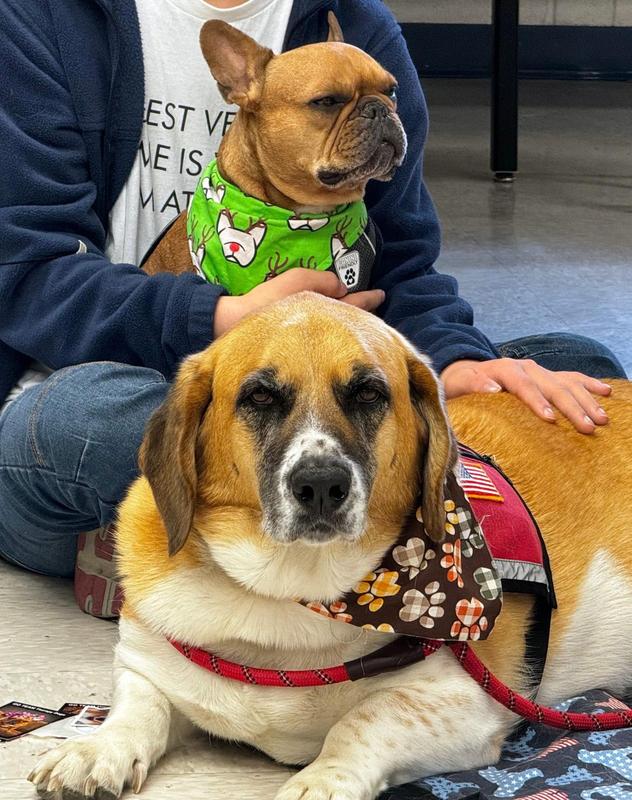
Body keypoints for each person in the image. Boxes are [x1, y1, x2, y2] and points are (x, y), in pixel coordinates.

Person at [0, 0, 625, 579]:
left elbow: (404, 263)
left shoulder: (357, 21)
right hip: (124, 383)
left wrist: (454, 362)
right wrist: (223, 318)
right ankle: (399, 538)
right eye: (328, 104)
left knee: (578, 374)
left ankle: (202, 550)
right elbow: (28, 270)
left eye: (385, 98)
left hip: (325, 399)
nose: (377, 113)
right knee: (82, 422)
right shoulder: (45, 17)